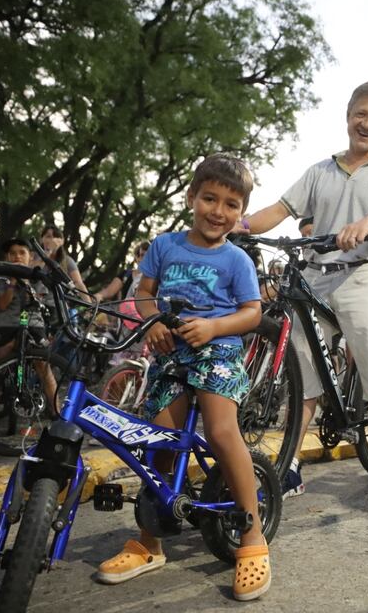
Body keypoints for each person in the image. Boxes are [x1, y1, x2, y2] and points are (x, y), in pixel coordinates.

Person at [95, 154, 270, 601]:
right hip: (172, 352)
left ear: (241, 211)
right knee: (160, 442)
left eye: (231, 204)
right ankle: (149, 542)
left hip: (218, 351)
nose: (218, 211)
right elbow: (145, 295)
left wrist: (213, 327)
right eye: (210, 198)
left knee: (219, 429)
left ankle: (252, 535)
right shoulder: (165, 245)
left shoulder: (236, 260)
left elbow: (252, 313)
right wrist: (152, 323)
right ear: (191, 197)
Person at [238, 81, 368, 517]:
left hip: (362, 273)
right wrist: (235, 225)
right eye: (361, 114)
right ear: (348, 115)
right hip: (315, 277)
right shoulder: (320, 170)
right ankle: (290, 465)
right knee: (303, 374)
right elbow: (277, 211)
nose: (366, 124)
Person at [39, 224, 89, 295]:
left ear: (62, 241)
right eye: (48, 236)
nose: (52, 240)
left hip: (59, 303)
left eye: (56, 237)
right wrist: (48, 251)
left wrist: (89, 304)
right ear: (41, 239)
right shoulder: (33, 256)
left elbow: (78, 283)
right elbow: (32, 270)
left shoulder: (67, 260)